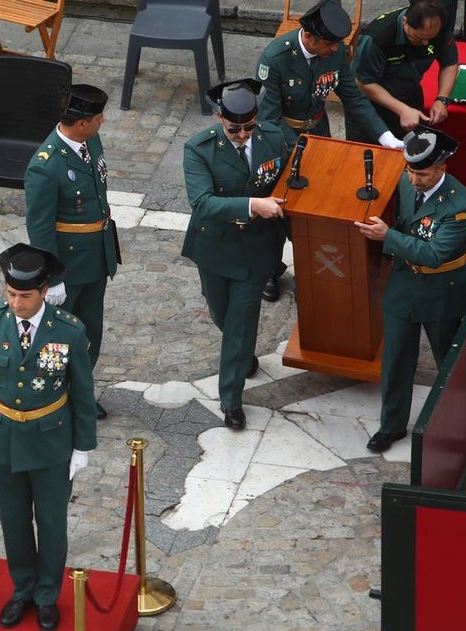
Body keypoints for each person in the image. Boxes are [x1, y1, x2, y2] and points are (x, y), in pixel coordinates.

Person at [0, 243, 97, 631]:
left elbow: (82, 391)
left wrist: (82, 446)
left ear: (43, 292)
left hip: (50, 442)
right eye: (10, 294)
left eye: (24, 296)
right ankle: (22, 588)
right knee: (14, 519)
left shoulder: (69, 331)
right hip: (3, 435)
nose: (16, 303)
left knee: (52, 522)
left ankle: (46, 595)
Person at [255, 0, 405, 303]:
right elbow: (268, 119)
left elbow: (354, 98)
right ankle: (269, 270)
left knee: (319, 204)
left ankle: (313, 269)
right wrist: (302, 151)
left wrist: (386, 137)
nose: (336, 50)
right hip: (282, 140)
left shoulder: (333, 57)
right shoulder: (276, 58)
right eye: (330, 44)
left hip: (318, 134)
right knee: (279, 210)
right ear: (310, 38)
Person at [353, 127, 466, 453]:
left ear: (441, 169)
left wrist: (387, 238)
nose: (414, 179)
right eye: (410, 170)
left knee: (452, 366)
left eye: (421, 173)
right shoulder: (407, 185)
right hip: (405, 285)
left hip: (443, 292)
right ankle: (391, 426)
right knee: (395, 360)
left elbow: (435, 255)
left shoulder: (459, 205)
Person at [182, 80, 291, 431]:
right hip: (216, 247)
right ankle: (243, 355)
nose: (242, 135)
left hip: (258, 249)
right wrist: (251, 205)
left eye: (248, 127)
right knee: (221, 314)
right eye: (234, 129)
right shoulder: (199, 149)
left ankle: (231, 400)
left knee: (239, 326)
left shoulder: (274, 139)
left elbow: (292, 180)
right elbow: (202, 204)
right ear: (218, 118)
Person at [25, 83, 117, 419]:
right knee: (57, 339)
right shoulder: (45, 166)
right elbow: (40, 228)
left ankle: (80, 393)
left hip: (96, 257)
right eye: (98, 118)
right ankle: (50, 398)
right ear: (81, 123)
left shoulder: (89, 141)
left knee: (90, 331)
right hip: (68, 264)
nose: (102, 122)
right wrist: (53, 276)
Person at [348, 0, 458, 144]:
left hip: (409, 95)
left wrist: (442, 99)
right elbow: (363, 82)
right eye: (419, 38)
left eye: (430, 39)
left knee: (413, 154)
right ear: (405, 22)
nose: (425, 43)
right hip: (370, 106)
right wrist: (402, 110)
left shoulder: (440, 28)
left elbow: (449, 63)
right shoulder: (378, 37)